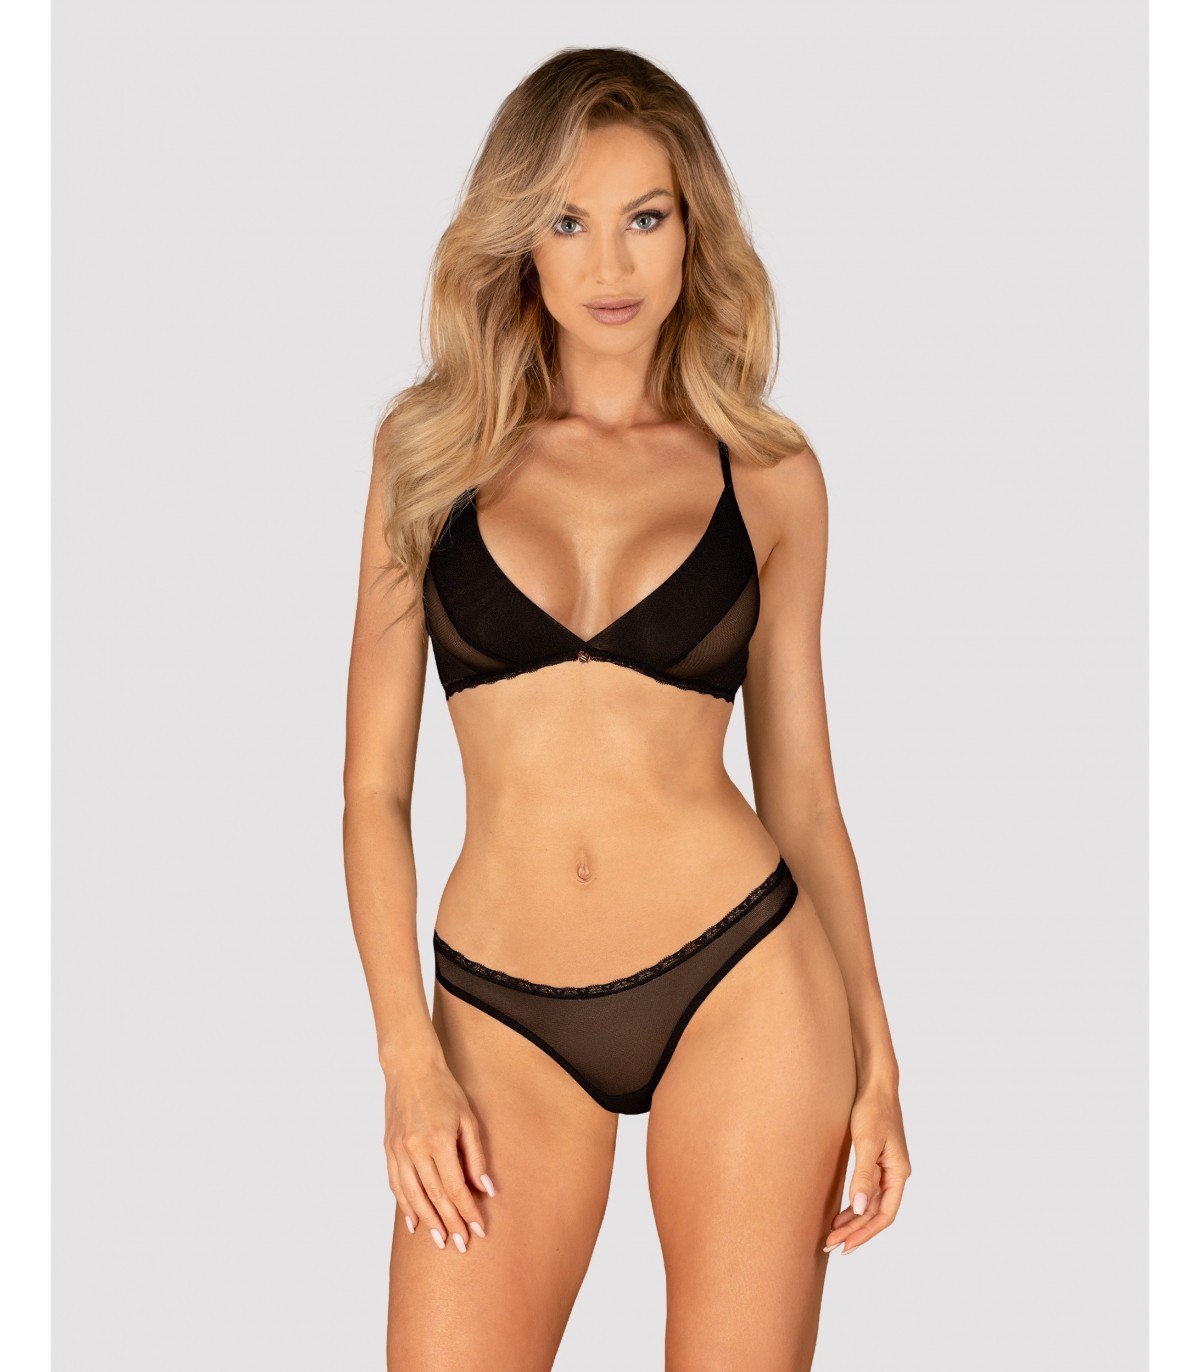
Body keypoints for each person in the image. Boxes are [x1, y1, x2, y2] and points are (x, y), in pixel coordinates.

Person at [343, 46, 911, 1371]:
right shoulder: (427, 453)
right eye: (568, 221)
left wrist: (879, 1057)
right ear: (517, 239)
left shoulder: (771, 476)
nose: (611, 264)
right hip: (499, 1014)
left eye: (645, 217)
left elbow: (805, 797)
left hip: (742, 978)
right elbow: (373, 790)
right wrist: (408, 1061)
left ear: (692, 228)